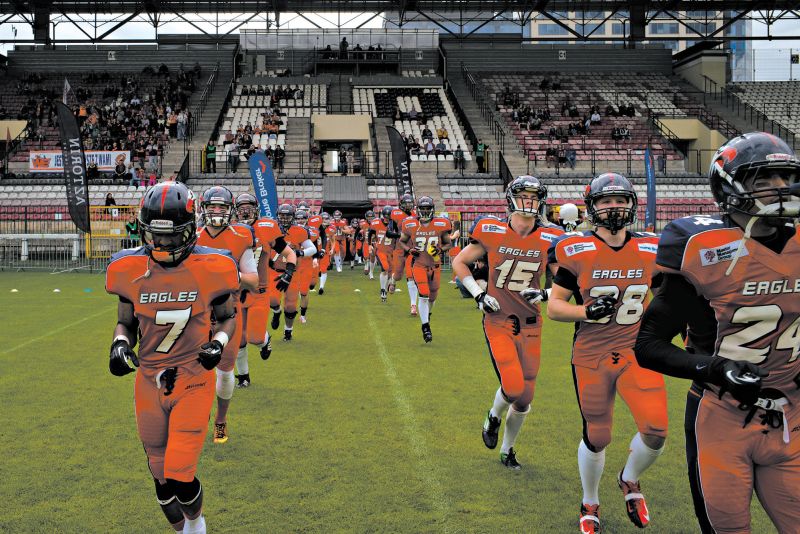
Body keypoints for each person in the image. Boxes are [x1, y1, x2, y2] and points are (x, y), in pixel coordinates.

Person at [634, 132, 800, 534]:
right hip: (721, 416)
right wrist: (714, 367)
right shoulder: (701, 247)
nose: (781, 189)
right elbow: (649, 345)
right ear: (730, 186)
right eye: (765, 179)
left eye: (785, 178)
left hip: (792, 415)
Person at [105, 181, 239, 532]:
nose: (162, 243)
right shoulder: (128, 267)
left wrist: (219, 343)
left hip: (193, 375)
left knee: (180, 473)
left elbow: (227, 316)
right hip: (148, 378)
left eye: (171, 235)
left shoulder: (214, 265)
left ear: (191, 230)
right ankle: (184, 529)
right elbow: (125, 323)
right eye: (155, 235)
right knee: (160, 476)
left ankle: (197, 527)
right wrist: (120, 344)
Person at [545, 173, 666, 534]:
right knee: (598, 436)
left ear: (632, 204)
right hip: (591, 354)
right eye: (606, 201)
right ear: (592, 207)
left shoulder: (652, 246)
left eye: (621, 200)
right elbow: (553, 307)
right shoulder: (573, 248)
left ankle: (629, 479)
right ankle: (590, 500)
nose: (614, 208)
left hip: (635, 350)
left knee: (656, 429)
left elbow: (664, 297)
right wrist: (585, 312)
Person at [452, 176, 564, 470]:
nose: (528, 202)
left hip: (531, 323)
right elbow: (459, 262)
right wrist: (478, 294)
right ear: (511, 199)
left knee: (525, 399)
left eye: (533, 196)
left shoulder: (552, 237)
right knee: (512, 386)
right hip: (498, 318)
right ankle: (492, 416)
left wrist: (545, 292)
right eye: (523, 195)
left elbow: (572, 283)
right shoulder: (492, 230)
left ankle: (508, 449)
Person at [195, 186, 260, 444]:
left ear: (230, 209)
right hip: (197, 312)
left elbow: (253, 280)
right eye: (212, 206)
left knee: (224, 371)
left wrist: (223, 275)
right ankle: (197, 416)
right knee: (193, 369)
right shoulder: (194, 236)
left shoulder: (240, 235)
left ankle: (221, 420)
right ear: (204, 208)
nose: (217, 211)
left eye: (222, 207)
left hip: (228, 313)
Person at [231, 193, 297, 388]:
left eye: (248, 208)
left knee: (255, 337)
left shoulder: (266, 227)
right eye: (241, 209)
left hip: (259, 291)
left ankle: (265, 340)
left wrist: (289, 273)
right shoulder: (230, 230)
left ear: (256, 210)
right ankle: (243, 376)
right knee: (238, 338)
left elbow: (289, 253)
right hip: (236, 291)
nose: (245, 213)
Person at [398, 196, 452, 343]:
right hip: (419, 265)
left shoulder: (441, 223)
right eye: (423, 208)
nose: (426, 211)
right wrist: (409, 250)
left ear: (433, 209)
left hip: (435, 265)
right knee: (423, 293)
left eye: (428, 208)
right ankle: (425, 327)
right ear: (418, 209)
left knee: (433, 295)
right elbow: (402, 241)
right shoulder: (409, 223)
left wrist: (440, 249)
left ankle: (427, 314)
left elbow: (449, 243)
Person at [268, 204, 317, 341]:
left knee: (290, 305)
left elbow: (312, 249)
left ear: (292, 217)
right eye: (282, 216)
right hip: (273, 271)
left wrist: (300, 252)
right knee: (272, 300)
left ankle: (288, 331)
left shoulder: (299, 231)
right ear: (278, 216)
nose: (284, 219)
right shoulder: (271, 229)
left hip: (293, 273)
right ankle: (277, 312)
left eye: (287, 216)